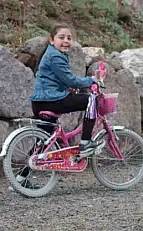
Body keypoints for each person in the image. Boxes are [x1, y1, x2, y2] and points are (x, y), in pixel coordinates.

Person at [29, 23, 100, 156]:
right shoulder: (55, 56)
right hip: (52, 100)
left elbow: (57, 79)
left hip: (40, 102)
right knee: (92, 100)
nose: (66, 41)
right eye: (61, 37)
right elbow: (70, 79)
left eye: (69, 38)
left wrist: (69, 89)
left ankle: (22, 175)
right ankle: (85, 143)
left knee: (44, 142)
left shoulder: (51, 53)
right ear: (52, 40)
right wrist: (91, 80)